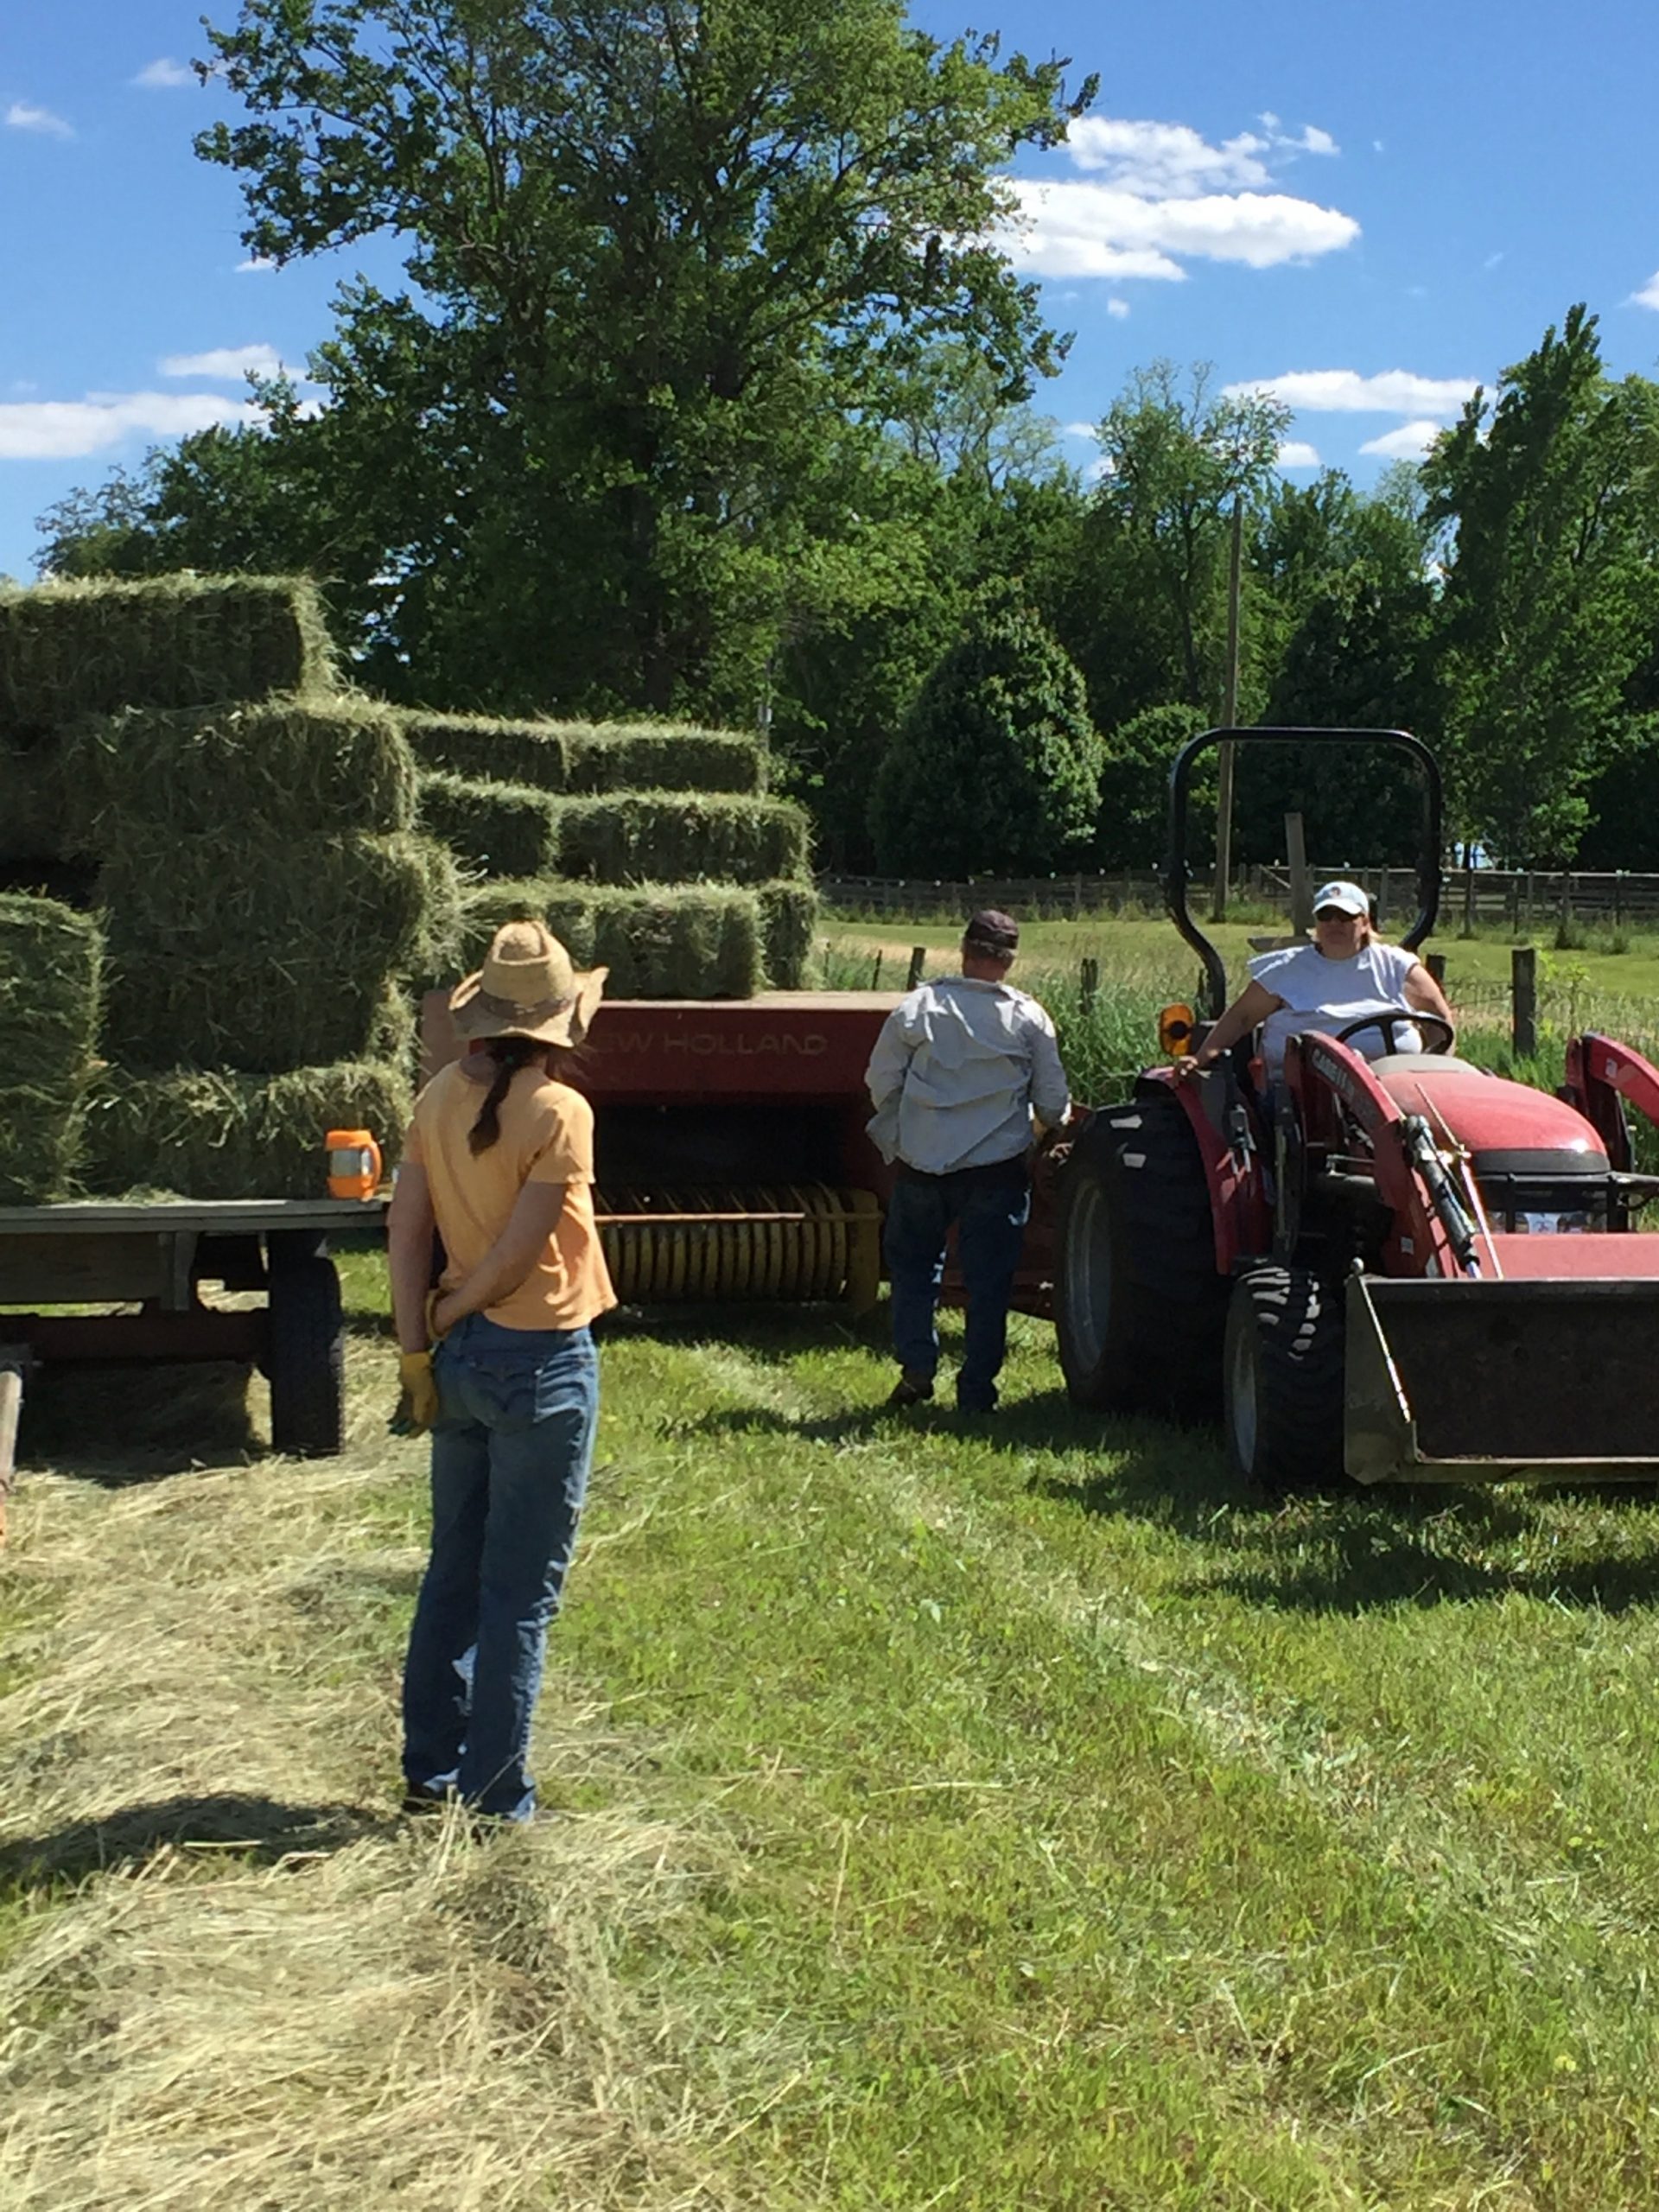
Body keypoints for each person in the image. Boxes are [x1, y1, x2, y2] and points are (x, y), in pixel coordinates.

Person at [386, 919, 616, 1825]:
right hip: (541, 1364)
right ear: (561, 1022)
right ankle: (495, 1795)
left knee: (453, 1570)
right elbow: (519, 1261)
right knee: (519, 1591)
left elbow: (405, 1229)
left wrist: (418, 1344)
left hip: (462, 1366)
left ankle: (428, 1772)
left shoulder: (438, 1092)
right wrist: (451, 1309)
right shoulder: (560, 1112)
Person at [865, 908, 1071, 1414]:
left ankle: (917, 1369)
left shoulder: (918, 1007)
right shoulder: (1028, 1017)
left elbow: (880, 1081)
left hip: (921, 1163)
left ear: (963, 950)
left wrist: (906, 1125)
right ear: (1010, 960)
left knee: (914, 1269)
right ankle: (977, 1390)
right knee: (989, 1283)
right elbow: (1051, 1102)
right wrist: (1046, 1127)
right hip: (996, 1170)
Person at [1177, 878, 1455, 1082]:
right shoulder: (1287, 968)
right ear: (1317, 923)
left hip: (1392, 1085)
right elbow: (1241, 1018)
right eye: (1326, 915)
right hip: (1302, 1093)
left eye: (1346, 916)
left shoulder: (1397, 966)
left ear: (1366, 922)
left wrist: (1438, 1072)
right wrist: (1200, 1058)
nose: (1335, 923)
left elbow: (1439, 1021)